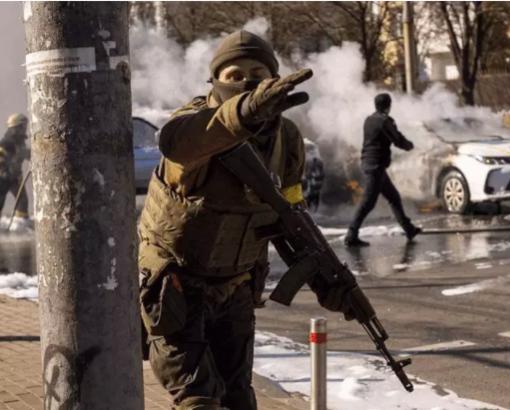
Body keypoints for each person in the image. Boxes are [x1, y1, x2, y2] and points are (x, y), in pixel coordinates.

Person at [138, 30, 351, 410]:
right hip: (176, 289)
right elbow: (177, 144)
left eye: (257, 73)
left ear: (273, 79)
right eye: (234, 75)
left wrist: (327, 280)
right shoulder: (193, 124)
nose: (246, 82)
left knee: (238, 397)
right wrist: (243, 113)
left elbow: (291, 214)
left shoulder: (286, 139)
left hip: (235, 287)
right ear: (214, 80)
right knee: (199, 399)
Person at [345, 93, 421, 247]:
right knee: (368, 202)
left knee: (394, 197)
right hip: (375, 167)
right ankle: (351, 235)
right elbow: (397, 139)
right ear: (388, 105)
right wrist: (410, 145)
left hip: (371, 164)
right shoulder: (384, 121)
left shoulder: (369, 120)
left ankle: (409, 229)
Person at [0, 113, 30, 220]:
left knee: (22, 201)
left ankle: (21, 223)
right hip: (3, 178)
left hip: (15, 178)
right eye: (23, 126)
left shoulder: (20, 142)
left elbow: (25, 154)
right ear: (16, 127)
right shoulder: (6, 143)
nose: (25, 129)